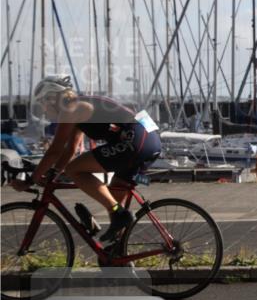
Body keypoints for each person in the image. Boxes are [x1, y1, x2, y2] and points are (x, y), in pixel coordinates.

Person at [9, 76, 162, 245]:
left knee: (74, 170)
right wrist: (53, 173)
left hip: (137, 139)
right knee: (113, 202)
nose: (43, 109)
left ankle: (118, 214)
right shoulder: (78, 108)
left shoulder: (72, 108)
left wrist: (31, 180)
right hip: (148, 138)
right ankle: (117, 251)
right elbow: (71, 149)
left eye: (43, 102)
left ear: (52, 97)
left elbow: (55, 150)